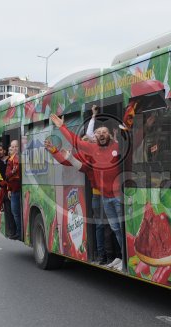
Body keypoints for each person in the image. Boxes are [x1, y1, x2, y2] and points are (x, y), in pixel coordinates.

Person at [50, 110, 125, 270]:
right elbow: (75, 143)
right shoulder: (91, 149)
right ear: (95, 137)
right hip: (105, 197)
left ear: (110, 135)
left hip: (119, 196)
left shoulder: (118, 147)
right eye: (99, 133)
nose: (102, 134)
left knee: (121, 228)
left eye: (104, 132)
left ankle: (123, 258)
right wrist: (62, 127)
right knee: (115, 229)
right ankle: (119, 257)